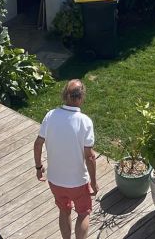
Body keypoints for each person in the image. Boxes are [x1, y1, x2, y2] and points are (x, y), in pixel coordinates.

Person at [34, 79, 98, 239]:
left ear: (65, 96)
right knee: (83, 213)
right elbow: (89, 156)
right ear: (81, 98)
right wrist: (94, 181)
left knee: (64, 211)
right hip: (78, 183)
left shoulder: (50, 116)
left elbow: (38, 144)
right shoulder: (85, 122)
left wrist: (38, 167)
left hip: (55, 181)